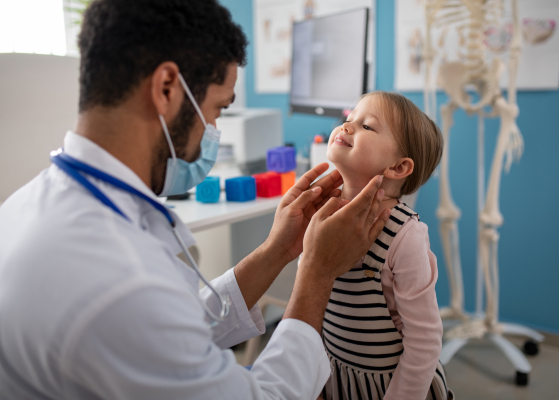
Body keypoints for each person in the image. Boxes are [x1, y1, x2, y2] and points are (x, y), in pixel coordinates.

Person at [0, 1, 393, 399]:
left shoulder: (28, 205)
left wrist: (278, 250)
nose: (214, 129)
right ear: (167, 88)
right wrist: (316, 272)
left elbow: (174, 331)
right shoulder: (119, 279)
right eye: (217, 108)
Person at [319, 92, 453, 400]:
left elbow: (424, 338)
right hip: (336, 377)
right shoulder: (325, 214)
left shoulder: (404, 236)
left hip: (388, 386)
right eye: (349, 119)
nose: (346, 127)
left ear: (398, 167)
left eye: (367, 127)